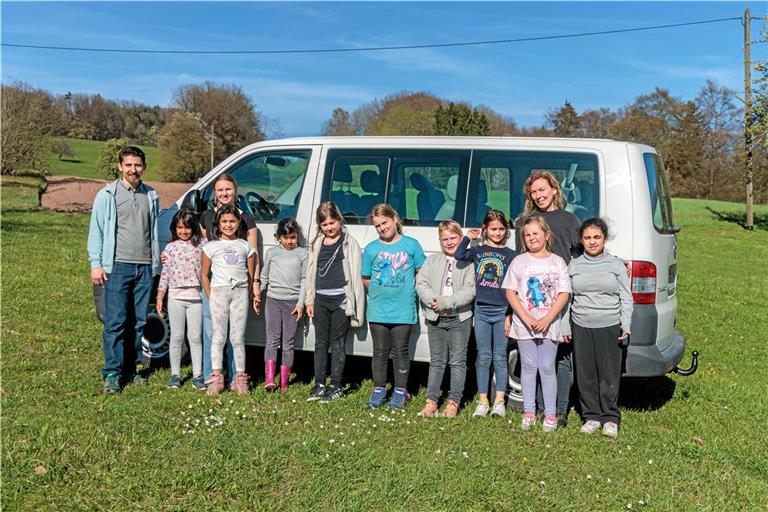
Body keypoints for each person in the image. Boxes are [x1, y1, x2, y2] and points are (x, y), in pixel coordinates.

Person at [88, 146, 161, 394]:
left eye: (137, 165)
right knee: (116, 322)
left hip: (144, 268)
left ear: (144, 166)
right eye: (128, 165)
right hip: (117, 266)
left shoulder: (151, 195)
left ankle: (131, 369)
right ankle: (112, 372)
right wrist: (95, 264)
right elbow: (96, 231)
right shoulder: (107, 195)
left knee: (138, 322)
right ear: (120, 166)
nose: (133, 169)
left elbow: (151, 232)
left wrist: (154, 263)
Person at [515, 171, 581, 428]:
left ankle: (558, 411)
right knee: (534, 358)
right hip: (532, 301)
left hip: (558, 299)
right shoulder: (525, 222)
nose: (539, 195)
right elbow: (517, 268)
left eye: (543, 189)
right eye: (534, 192)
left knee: (559, 355)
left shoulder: (568, 219)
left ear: (554, 189)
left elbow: (583, 250)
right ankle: (538, 409)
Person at [562, 218, 632, 439]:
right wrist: (566, 326)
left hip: (609, 324)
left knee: (609, 373)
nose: (592, 242)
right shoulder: (574, 265)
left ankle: (610, 417)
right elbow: (567, 298)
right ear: (581, 241)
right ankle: (591, 416)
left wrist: (626, 324)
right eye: (587, 238)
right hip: (582, 325)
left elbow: (626, 297)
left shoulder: (615, 264)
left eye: (596, 237)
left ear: (604, 239)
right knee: (586, 374)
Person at [503, 215, 571, 433]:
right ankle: (529, 411)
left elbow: (563, 293)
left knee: (547, 366)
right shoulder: (520, 261)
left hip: (549, 324)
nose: (532, 238)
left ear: (546, 235)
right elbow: (511, 292)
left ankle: (550, 414)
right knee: (529, 366)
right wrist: (526, 317)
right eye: (528, 234)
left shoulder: (557, 262)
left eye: (535, 233)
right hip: (525, 325)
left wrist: (547, 318)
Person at [198, 174, 261, 390]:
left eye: (228, 189)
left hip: (239, 289)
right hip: (217, 288)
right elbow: (202, 256)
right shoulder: (206, 217)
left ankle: (238, 377)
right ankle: (213, 377)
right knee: (214, 334)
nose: (224, 193)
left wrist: (254, 285)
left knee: (237, 336)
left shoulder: (246, 222)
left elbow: (253, 259)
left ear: (235, 189)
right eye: (219, 190)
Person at [362, 203, 426, 410]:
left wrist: (410, 291)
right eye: (377, 226)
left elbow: (421, 272)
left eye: (385, 223)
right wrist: (378, 290)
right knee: (379, 351)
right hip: (378, 309)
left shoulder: (411, 245)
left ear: (395, 219)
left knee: (400, 351)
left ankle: (400, 391)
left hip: (403, 309)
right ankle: (379, 389)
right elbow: (365, 277)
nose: (382, 228)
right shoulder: (372, 249)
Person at [455, 209, 516, 418]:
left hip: (501, 311)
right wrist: (467, 238)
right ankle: (483, 401)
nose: (497, 233)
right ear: (485, 229)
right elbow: (459, 255)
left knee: (500, 356)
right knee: (483, 356)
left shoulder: (511, 255)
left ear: (506, 231)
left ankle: (499, 400)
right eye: (493, 229)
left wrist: (510, 313)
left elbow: (514, 287)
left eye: (501, 229)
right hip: (481, 309)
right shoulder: (478, 251)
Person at [303, 202, 365, 403]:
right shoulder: (316, 243)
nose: (329, 227)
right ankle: (319, 383)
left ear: (339, 220)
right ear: (319, 226)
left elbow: (356, 275)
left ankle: (336, 385)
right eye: (324, 224)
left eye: (332, 222)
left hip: (341, 299)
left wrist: (354, 304)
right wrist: (309, 299)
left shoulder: (349, 242)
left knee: (338, 344)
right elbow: (310, 273)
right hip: (320, 298)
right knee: (320, 342)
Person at [415, 221, 476, 418]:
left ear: (461, 238)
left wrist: (446, 302)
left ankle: (453, 401)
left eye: (453, 238)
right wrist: (432, 301)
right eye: (445, 239)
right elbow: (421, 282)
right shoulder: (432, 261)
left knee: (458, 361)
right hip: (436, 317)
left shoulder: (468, 262)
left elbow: (470, 290)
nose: (449, 243)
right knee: (437, 361)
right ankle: (431, 400)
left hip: (460, 317)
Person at [156, 209, 205, 390]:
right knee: (176, 337)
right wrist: (160, 296)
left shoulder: (201, 245)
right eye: (179, 227)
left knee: (195, 337)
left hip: (196, 299)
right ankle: (175, 374)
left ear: (193, 227)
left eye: (187, 227)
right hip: (175, 297)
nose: (183, 231)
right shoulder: (170, 248)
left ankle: (198, 374)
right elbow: (165, 274)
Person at [261, 218, 308, 393]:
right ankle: (270, 380)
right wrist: (258, 293)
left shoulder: (303, 254)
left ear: (298, 237)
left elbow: (305, 280)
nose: (289, 241)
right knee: (272, 339)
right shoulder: (272, 253)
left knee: (288, 343)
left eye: (293, 237)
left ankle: (284, 384)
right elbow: (264, 276)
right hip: (273, 300)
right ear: (279, 237)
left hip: (292, 303)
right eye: (286, 237)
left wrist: (300, 303)